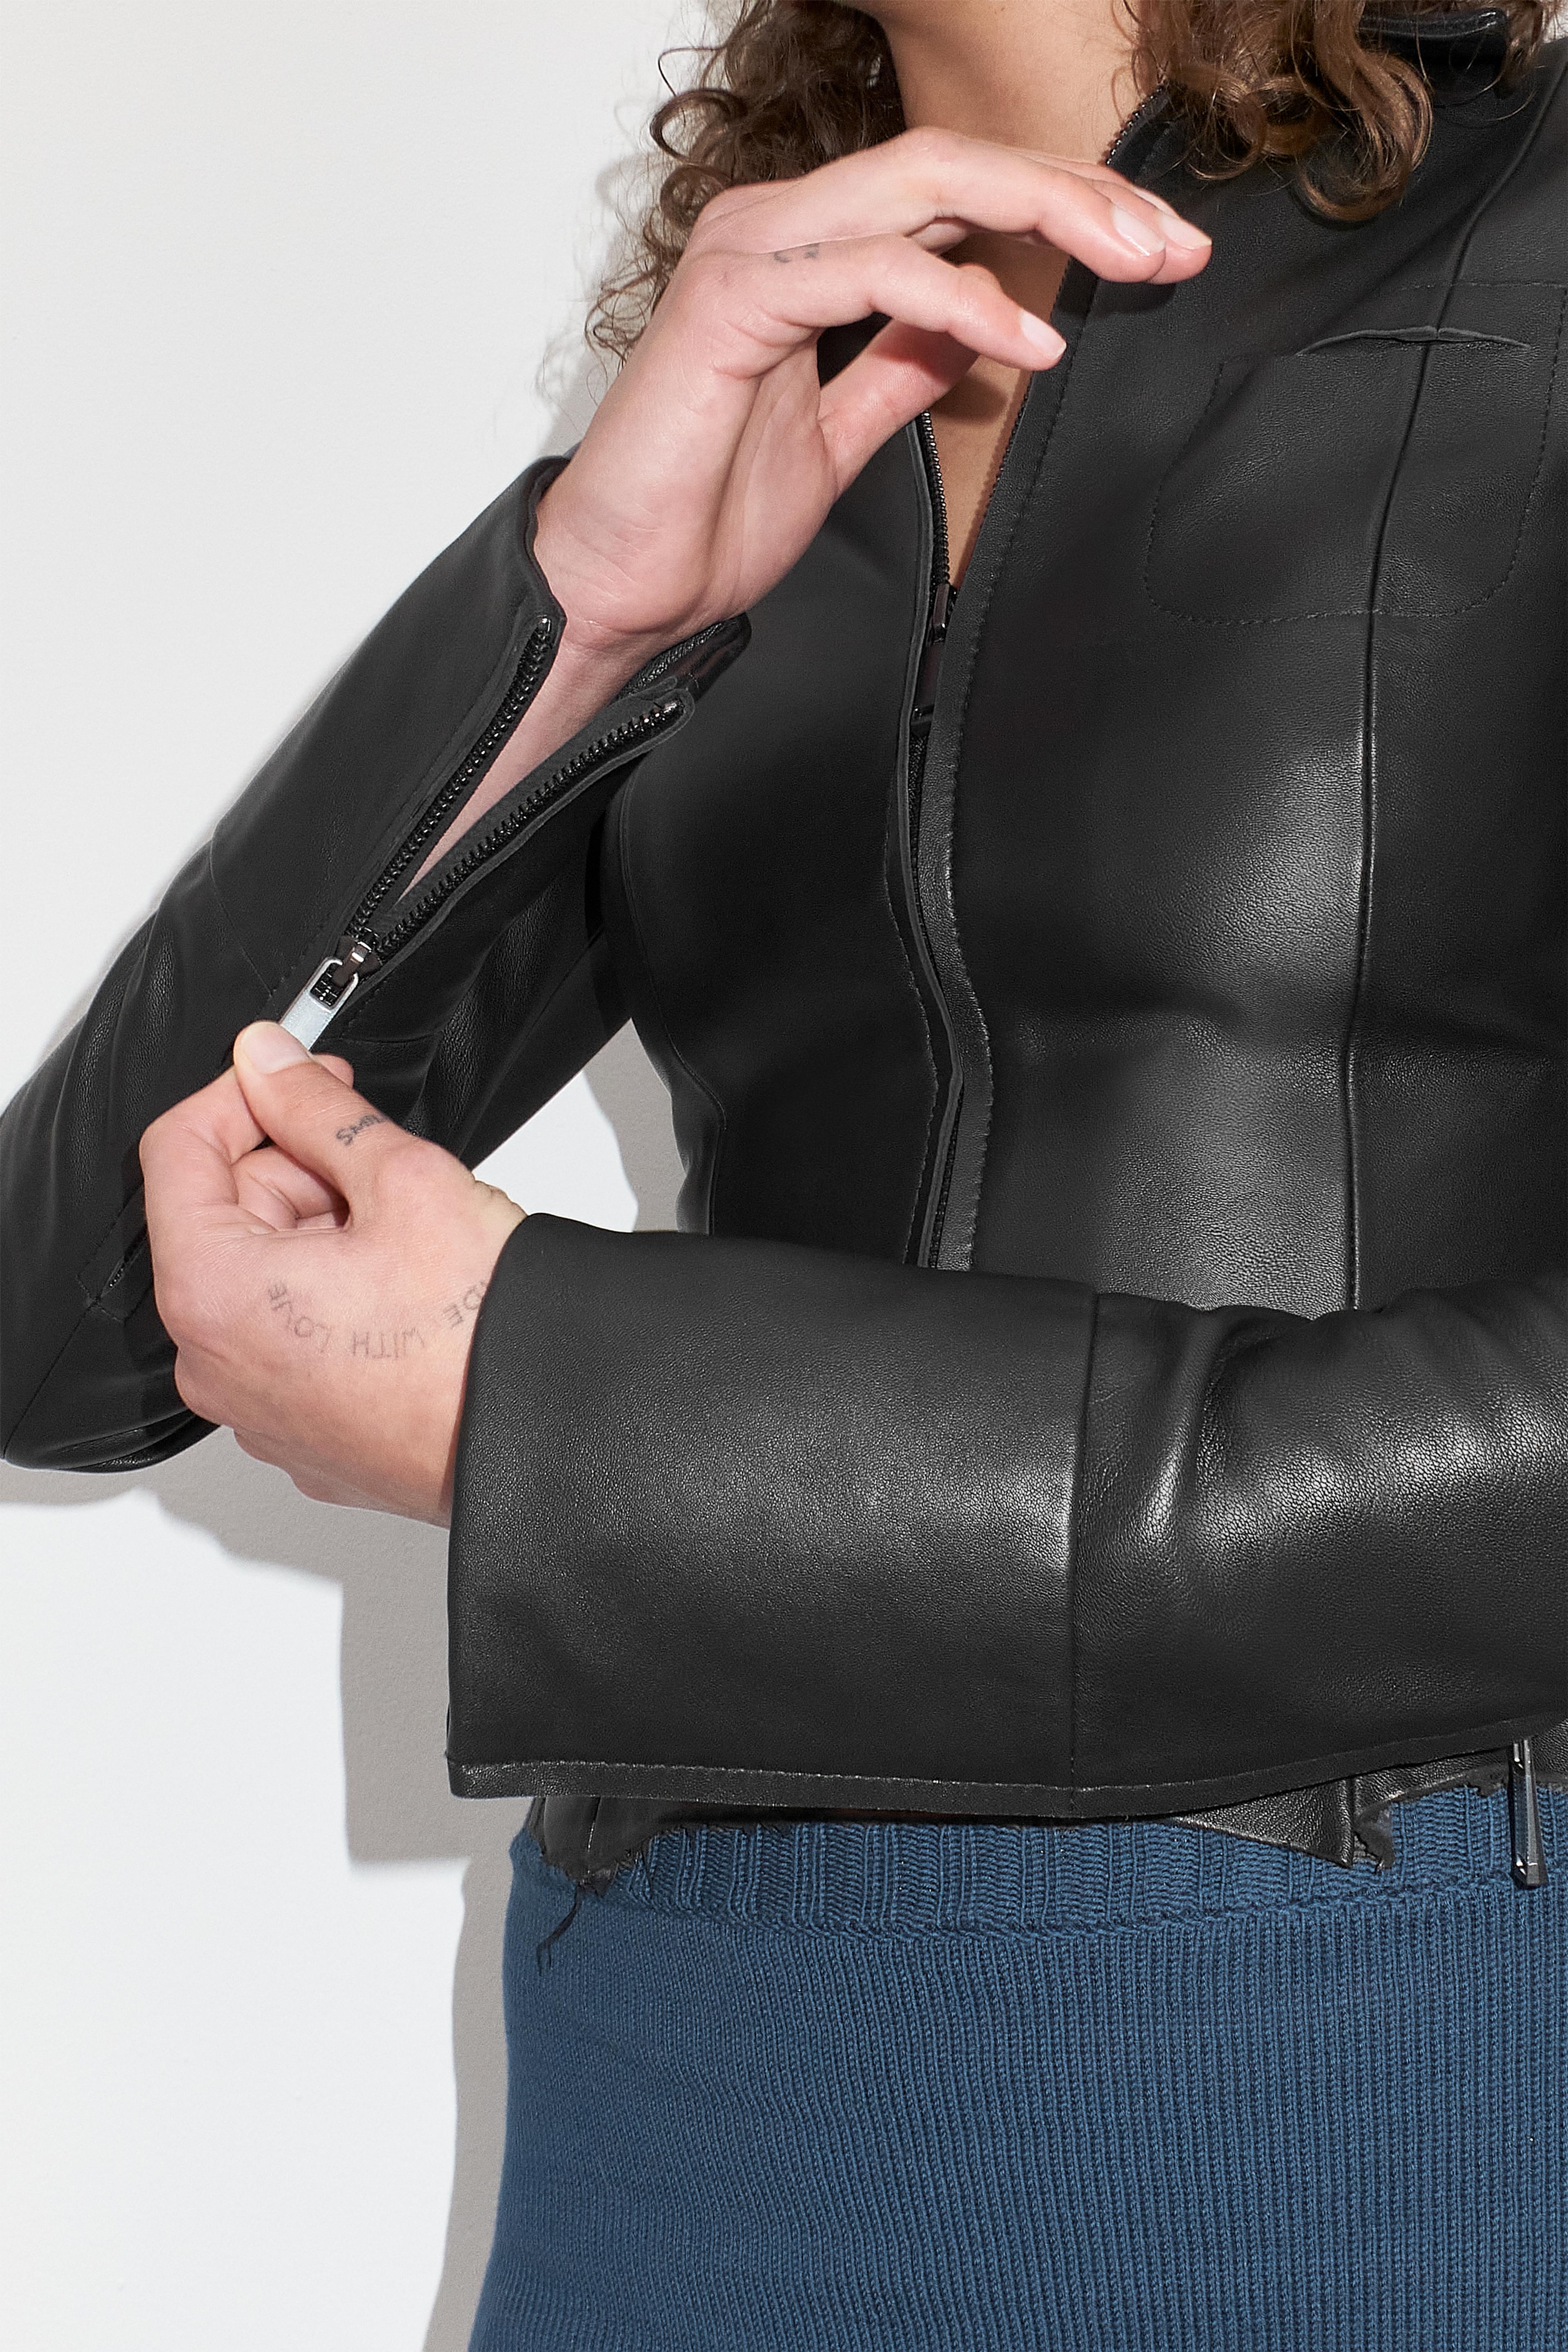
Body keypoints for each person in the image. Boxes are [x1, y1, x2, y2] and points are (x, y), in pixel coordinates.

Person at [2, 0, 1564, 2342]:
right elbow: (78, 1326)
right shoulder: (778, 379)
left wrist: (580, 1412)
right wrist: (581, 614)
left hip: (1384, 2006)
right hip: (691, 2026)